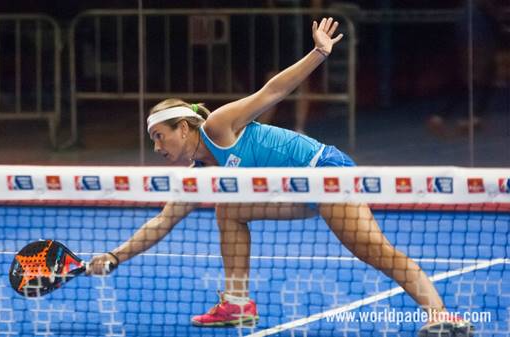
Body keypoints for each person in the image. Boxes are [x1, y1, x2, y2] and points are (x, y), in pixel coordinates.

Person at [88, 18, 473, 336]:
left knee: (373, 250)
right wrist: (113, 256)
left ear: (185, 128)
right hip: (294, 191)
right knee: (229, 211)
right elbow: (162, 221)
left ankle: (440, 314)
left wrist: (320, 52)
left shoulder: (219, 126)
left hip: (324, 175)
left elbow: (273, 90)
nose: (157, 147)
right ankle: (237, 304)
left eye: (160, 136)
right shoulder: (201, 174)